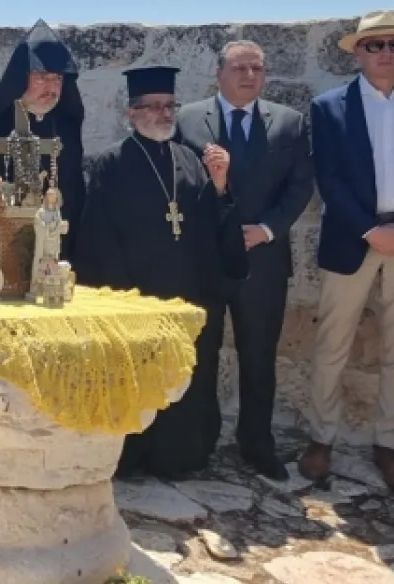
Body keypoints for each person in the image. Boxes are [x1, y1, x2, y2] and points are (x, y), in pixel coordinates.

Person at [299, 10, 394, 493]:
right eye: (375, 45)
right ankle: (322, 438)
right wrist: (370, 230)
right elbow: (329, 179)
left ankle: (388, 445)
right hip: (353, 238)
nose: (386, 53)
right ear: (357, 51)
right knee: (333, 344)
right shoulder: (329, 107)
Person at [73, 65, 247, 480]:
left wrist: (221, 186)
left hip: (188, 293)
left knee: (185, 377)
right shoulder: (110, 163)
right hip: (135, 295)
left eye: (169, 106)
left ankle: (180, 455)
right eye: (152, 107)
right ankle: (131, 457)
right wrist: (120, 297)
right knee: (133, 376)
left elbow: (210, 223)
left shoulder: (190, 159)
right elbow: (98, 236)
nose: (163, 113)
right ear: (131, 114)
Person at [174, 40, 314, 481]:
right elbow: (177, 179)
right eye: (239, 68)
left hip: (263, 260)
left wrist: (267, 230)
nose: (249, 76)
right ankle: (199, 440)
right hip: (207, 261)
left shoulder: (289, 123)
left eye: (257, 67)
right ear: (219, 73)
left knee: (259, 356)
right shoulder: (188, 119)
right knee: (202, 352)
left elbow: (299, 186)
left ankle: (256, 443)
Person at [0, 19, 85, 260]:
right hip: (6, 246)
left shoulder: (66, 128)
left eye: (57, 79)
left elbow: (75, 195)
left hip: (59, 247)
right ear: (22, 79)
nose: (51, 87)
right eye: (42, 78)